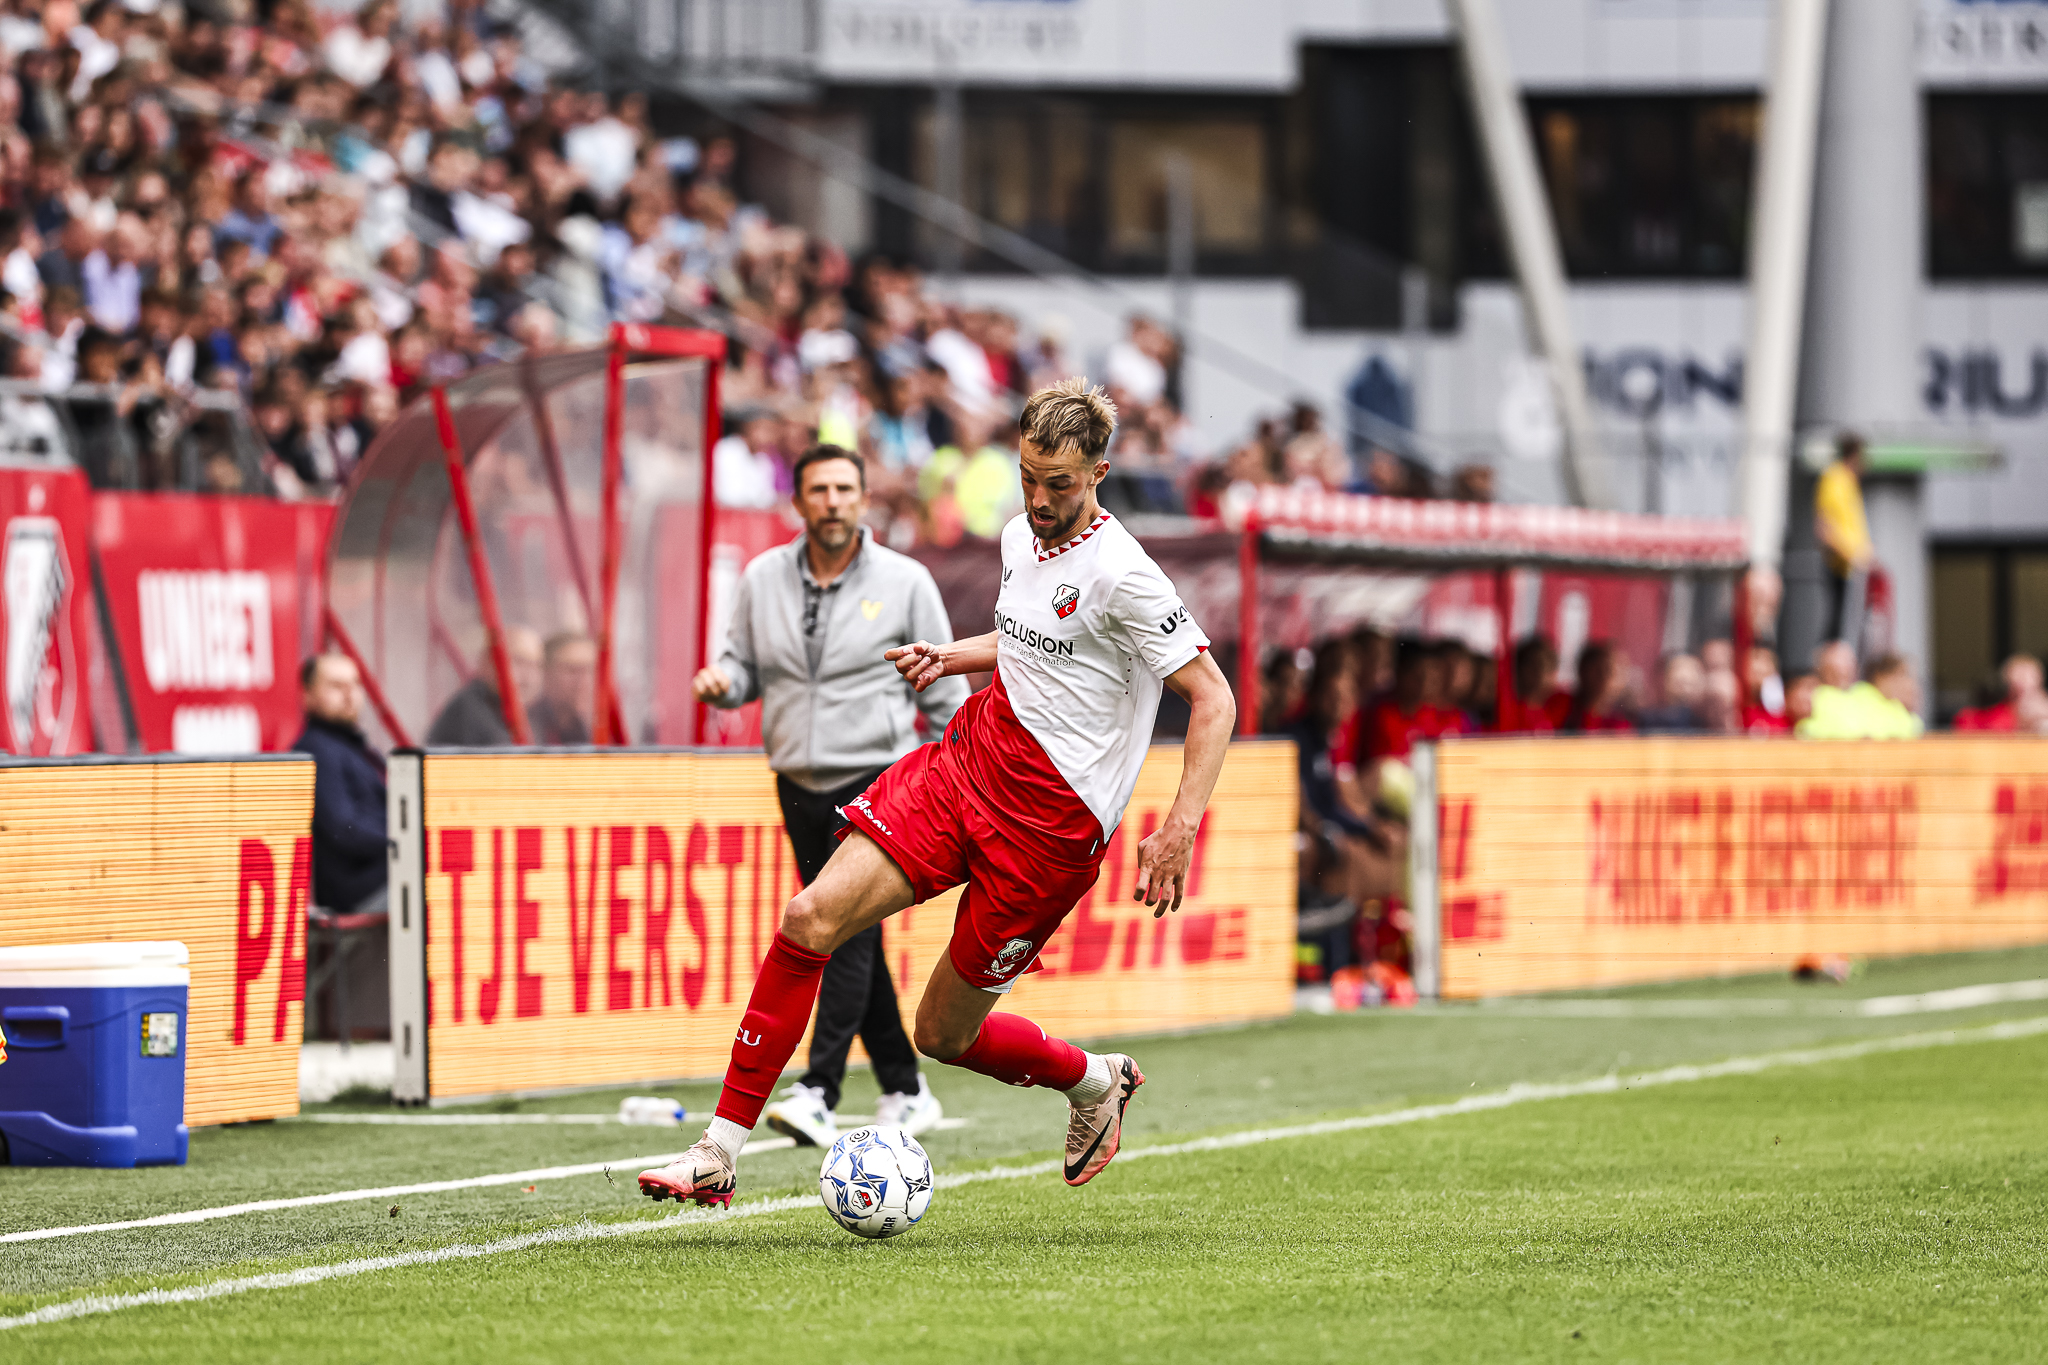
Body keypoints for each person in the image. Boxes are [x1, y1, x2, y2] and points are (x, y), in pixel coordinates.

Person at [639, 378, 1236, 1208]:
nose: (1037, 498)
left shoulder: (1126, 576)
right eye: (1028, 475)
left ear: (1099, 472)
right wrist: (955, 657)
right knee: (809, 916)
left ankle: (1093, 1079)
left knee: (942, 1035)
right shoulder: (1021, 539)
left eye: (1059, 483)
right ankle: (717, 1151)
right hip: (964, 767)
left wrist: (1179, 829)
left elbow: (1214, 698)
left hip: (1048, 835)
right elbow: (1038, 639)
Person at [693, 444, 967, 1147]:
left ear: (865, 496)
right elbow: (742, 663)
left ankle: (819, 1087)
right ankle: (905, 1087)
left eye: (846, 487)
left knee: (835, 930)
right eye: (819, 489)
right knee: (844, 930)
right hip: (796, 777)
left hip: (875, 779)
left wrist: (938, 775)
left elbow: (946, 686)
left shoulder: (905, 580)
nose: (834, 501)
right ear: (799, 501)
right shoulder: (761, 577)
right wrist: (723, 680)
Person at [292, 653, 388, 914]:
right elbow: (344, 829)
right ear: (307, 695)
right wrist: (403, 841)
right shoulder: (316, 750)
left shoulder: (355, 747)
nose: (349, 694)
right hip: (356, 893)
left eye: (355, 684)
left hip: (383, 878)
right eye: (336, 686)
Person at [426, 627, 544, 746]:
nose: (529, 677)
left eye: (536, 666)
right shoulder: (471, 710)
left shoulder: (516, 715)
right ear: (488, 662)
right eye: (519, 662)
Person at [1815, 434, 1874, 648]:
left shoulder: (1847, 482)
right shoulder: (1835, 479)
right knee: (1838, 626)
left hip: (1851, 565)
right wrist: (1853, 555)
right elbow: (1826, 528)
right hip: (1841, 565)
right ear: (1855, 455)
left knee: (1848, 625)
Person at [1797, 654, 1923, 740]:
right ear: (1880, 677)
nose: (1910, 684)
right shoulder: (1826, 696)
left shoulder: (1898, 711)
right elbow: (1807, 729)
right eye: (1902, 675)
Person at [528, 632, 596, 744]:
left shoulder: (596, 727)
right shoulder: (526, 726)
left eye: (590, 670)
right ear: (546, 674)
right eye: (572, 670)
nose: (583, 680)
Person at [1563, 641, 1634, 733]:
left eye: (1612, 671)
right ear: (1582, 671)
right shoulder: (1563, 707)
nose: (1604, 676)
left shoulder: (1621, 724)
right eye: (1598, 669)